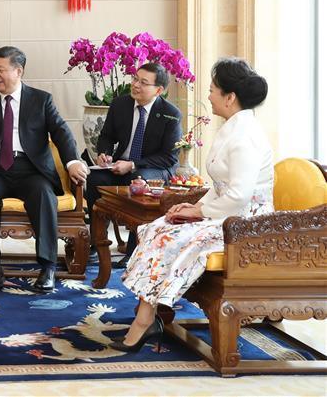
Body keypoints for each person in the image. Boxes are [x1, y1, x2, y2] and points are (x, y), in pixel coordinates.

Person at [113, 58, 273, 352]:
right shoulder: (232, 128)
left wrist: (198, 212)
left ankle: (144, 320)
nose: (208, 95)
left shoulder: (246, 136)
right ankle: (148, 313)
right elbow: (221, 188)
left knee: (169, 237)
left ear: (230, 97)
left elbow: (238, 195)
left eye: (213, 90)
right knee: (157, 226)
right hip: (226, 216)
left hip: (246, 227)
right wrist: (191, 208)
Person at [0, 46, 89, 293]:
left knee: (43, 194)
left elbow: (61, 132)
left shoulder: (41, 100)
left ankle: (47, 267)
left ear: (19, 71)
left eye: (1, 69)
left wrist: (72, 162)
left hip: (31, 169)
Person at [87, 62, 181, 262]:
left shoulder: (171, 113)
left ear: (158, 90)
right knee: (95, 177)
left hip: (153, 169)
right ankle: (96, 242)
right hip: (120, 164)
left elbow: (168, 157)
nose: (136, 85)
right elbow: (106, 136)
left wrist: (133, 164)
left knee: (138, 179)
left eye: (143, 82)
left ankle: (133, 251)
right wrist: (104, 153)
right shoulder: (120, 104)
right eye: (135, 79)